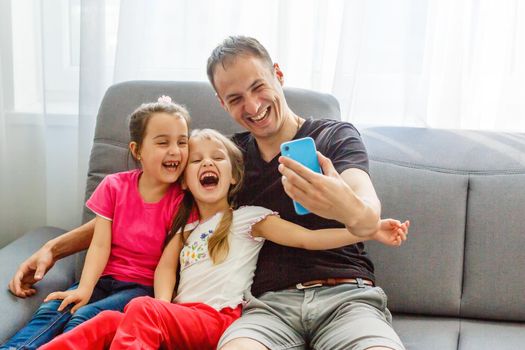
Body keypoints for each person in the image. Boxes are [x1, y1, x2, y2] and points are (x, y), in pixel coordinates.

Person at [8, 35, 406, 349]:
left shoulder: (333, 137)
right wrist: (54, 249)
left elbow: (366, 205)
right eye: (235, 98)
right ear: (222, 102)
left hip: (344, 295)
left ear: (278, 75)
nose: (252, 106)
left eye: (258, 87)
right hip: (265, 309)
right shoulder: (223, 158)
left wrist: (355, 213)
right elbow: (132, 212)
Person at [40, 129, 408, 350]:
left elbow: (305, 239)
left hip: (220, 318)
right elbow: (166, 266)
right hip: (181, 317)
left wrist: (368, 229)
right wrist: (165, 305)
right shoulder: (183, 227)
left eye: (217, 158)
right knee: (106, 320)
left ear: (234, 178)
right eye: (196, 161)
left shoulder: (250, 218)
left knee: (140, 310)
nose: (206, 164)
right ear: (184, 182)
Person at [1, 97, 197, 349]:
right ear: (137, 151)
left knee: (83, 318)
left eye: (182, 142)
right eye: (163, 142)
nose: (175, 150)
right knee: (54, 307)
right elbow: (100, 245)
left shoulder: (183, 203)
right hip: (103, 279)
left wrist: (161, 307)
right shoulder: (113, 187)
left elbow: (167, 267)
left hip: (141, 289)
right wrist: (84, 288)